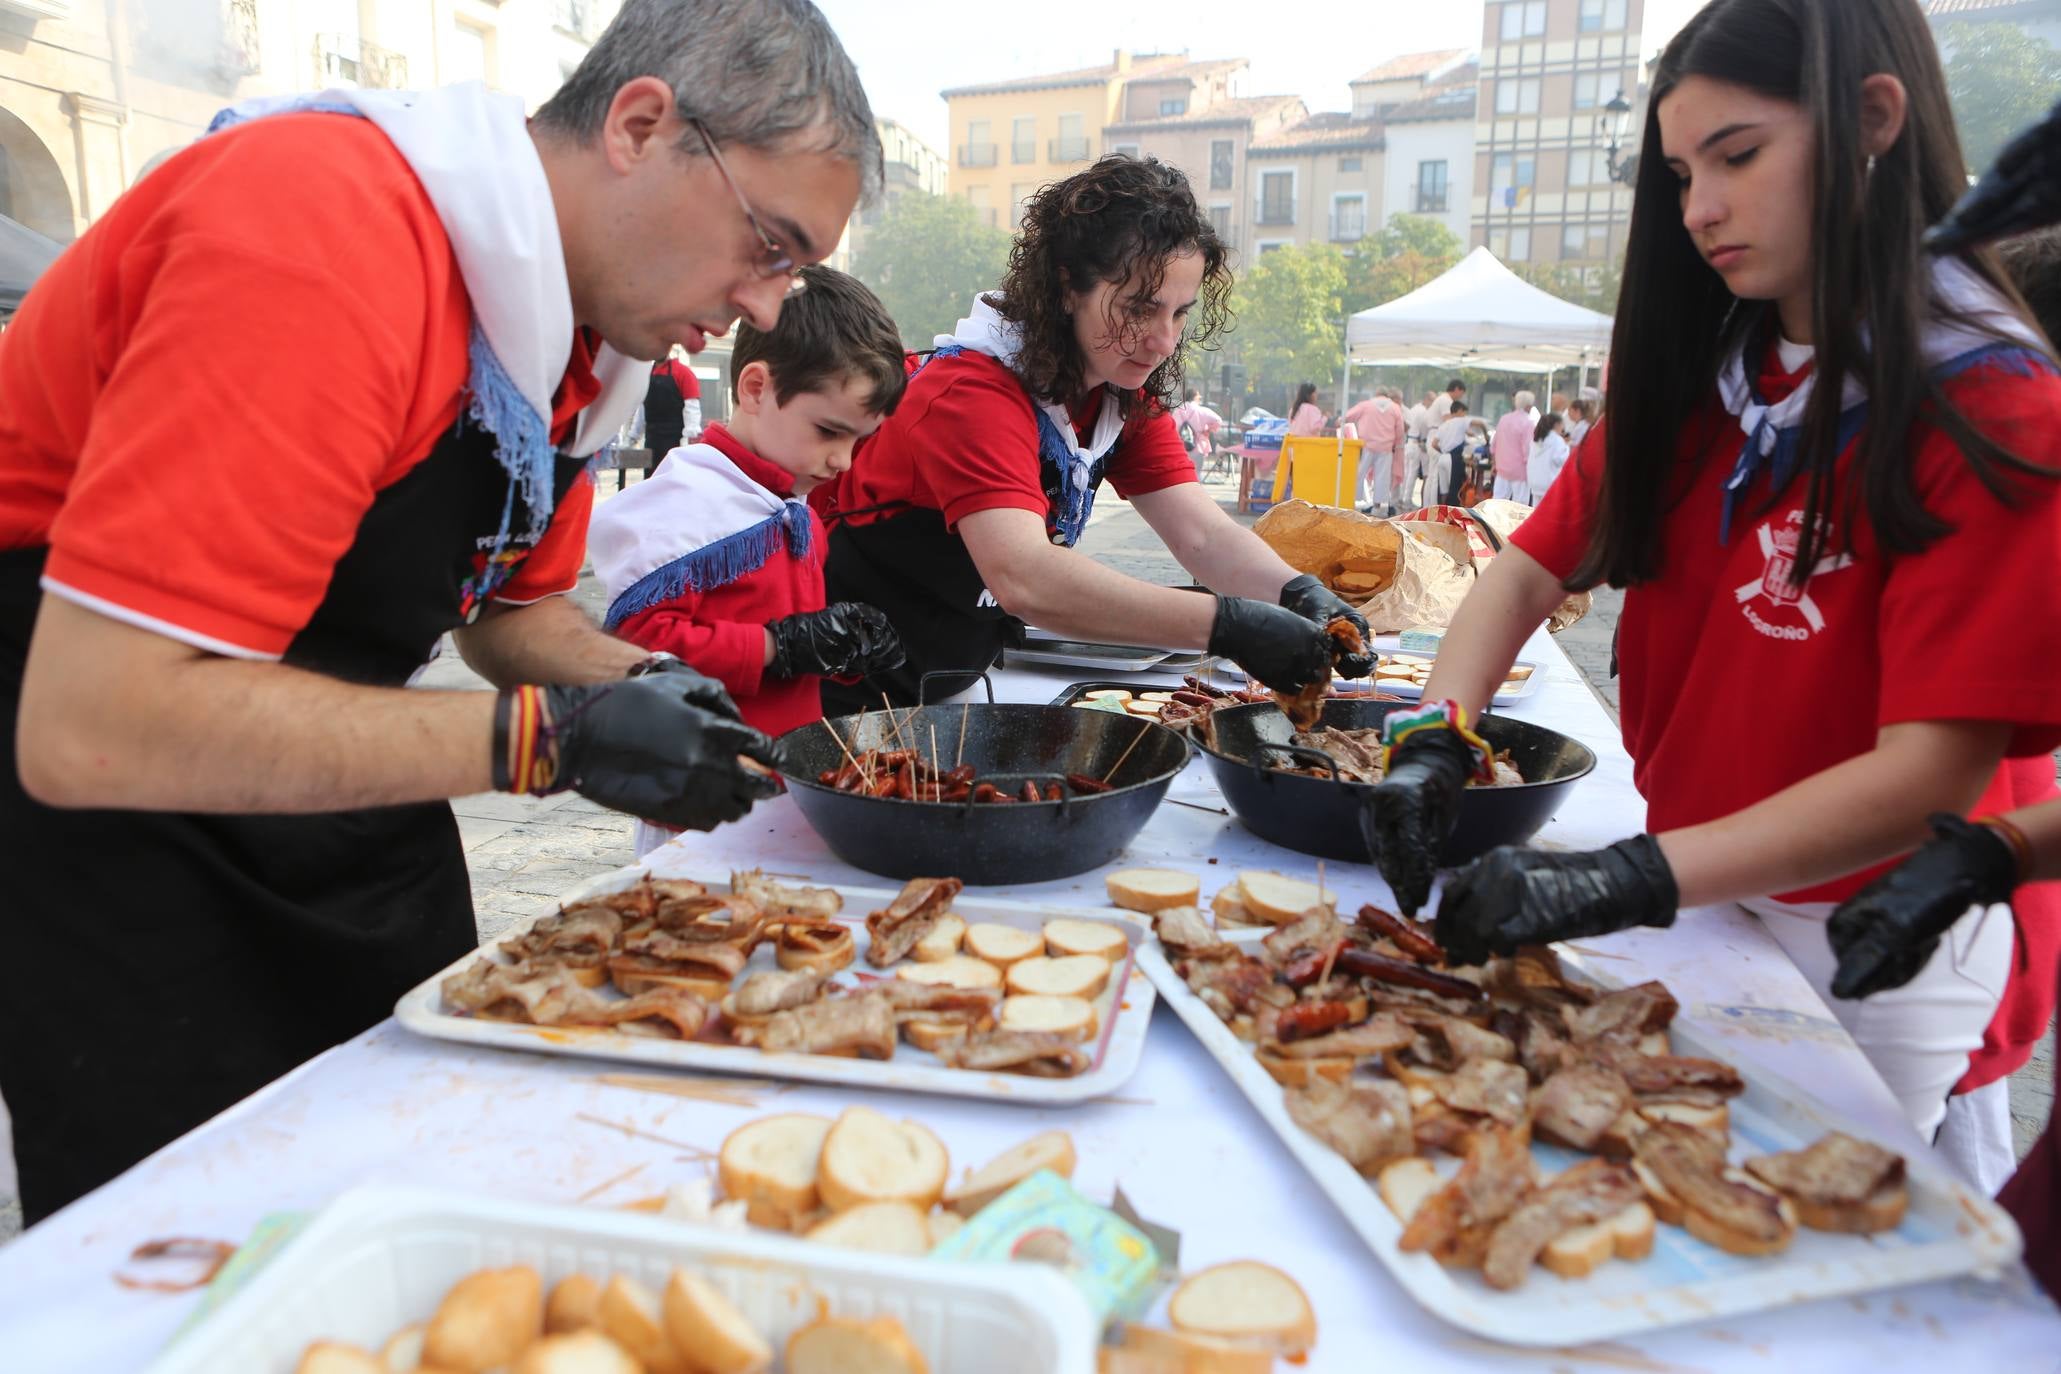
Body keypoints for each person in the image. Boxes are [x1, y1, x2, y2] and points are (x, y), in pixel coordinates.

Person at [0, 0, 874, 1222]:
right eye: (771, 246)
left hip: (333, 787)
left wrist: (634, 680)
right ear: (639, 126)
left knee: (411, 1183)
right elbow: (95, 723)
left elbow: (508, 609)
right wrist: (546, 742)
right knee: (193, 1258)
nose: (774, 307)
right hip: (114, 814)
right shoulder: (322, 233)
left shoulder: (577, 332)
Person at [1365, 0, 2061, 1186]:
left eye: (1737, 157)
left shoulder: (1987, 402)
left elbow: (1929, 772)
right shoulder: (1701, 374)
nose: (1699, 209)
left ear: (1873, 121)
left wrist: (1629, 879)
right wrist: (1436, 732)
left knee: (1782, 1218)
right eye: (1682, 172)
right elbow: (1528, 568)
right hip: (1703, 877)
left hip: (1881, 925)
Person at [812, 155, 1371, 711]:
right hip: (838, 691)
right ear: (1065, 287)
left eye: (1179, 313)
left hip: (948, 681)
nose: (1164, 341)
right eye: (1139, 309)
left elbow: (1202, 536)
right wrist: (1227, 626)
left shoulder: (1118, 395)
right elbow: (1025, 579)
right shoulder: (971, 393)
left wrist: (1300, 592)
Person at [590, 266, 908, 857]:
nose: (843, 460)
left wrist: (841, 647)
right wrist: (776, 646)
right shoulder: (687, 501)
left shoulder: (795, 508)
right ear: (757, 388)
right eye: (829, 431)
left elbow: (792, 642)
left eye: (859, 441)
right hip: (702, 800)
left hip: (790, 782)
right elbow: (637, 648)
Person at [1340, 386, 1405, 513]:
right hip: (1386, 448)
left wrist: (1339, 421)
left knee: (1359, 473)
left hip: (1367, 446)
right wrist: (1395, 443)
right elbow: (1400, 430)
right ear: (1387, 396)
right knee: (1382, 477)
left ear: (1376, 394)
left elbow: (1347, 416)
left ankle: (1353, 501)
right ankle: (1377, 506)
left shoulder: (1366, 405)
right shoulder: (1395, 408)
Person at [642, 347, 704, 457]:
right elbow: (641, 408)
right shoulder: (646, 374)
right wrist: (632, 438)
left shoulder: (683, 372)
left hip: (675, 441)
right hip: (651, 441)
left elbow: (692, 408)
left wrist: (687, 440)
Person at [1490, 390, 1535, 503]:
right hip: (1520, 471)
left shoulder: (1504, 419)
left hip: (1502, 468)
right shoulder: (1528, 422)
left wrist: (1494, 463)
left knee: (1497, 502)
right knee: (1519, 505)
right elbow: (1528, 449)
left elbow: (1494, 444)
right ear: (1529, 406)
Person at [1428, 399, 1473, 509]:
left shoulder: (1444, 425)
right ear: (1459, 411)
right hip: (1453, 458)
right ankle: (1453, 513)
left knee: (1443, 490)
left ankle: (1441, 512)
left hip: (1442, 458)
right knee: (1454, 487)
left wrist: (1443, 451)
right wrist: (1485, 433)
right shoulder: (1461, 421)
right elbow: (1476, 426)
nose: (1464, 415)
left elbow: (1434, 444)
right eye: (1464, 413)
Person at [1171, 386, 1225, 472]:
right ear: (1195, 397)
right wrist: (1209, 430)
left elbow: (1173, 426)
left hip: (1181, 445)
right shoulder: (1202, 410)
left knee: (1182, 473)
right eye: (1199, 396)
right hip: (1199, 445)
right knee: (1197, 473)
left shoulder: (1178, 410)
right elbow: (1218, 420)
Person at [1400, 389, 1436, 512]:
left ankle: (1402, 498)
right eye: (1432, 400)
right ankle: (1407, 501)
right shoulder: (1424, 412)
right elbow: (1424, 430)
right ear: (1427, 399)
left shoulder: (1414, 408)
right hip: (1416, 444)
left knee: (1406, 473)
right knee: (1412, 474)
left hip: (1409, 442)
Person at [1528, 410, 1569, 503]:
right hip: (1550, 483)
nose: (1563, 428)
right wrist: (1567, 448)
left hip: (1535, 483)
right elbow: (1560, 460)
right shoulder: (1557, 440)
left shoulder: (1536, 440)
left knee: (1536, 511)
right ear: (1557, 424)